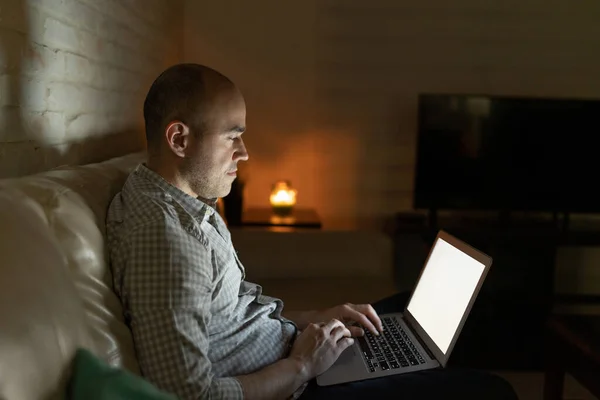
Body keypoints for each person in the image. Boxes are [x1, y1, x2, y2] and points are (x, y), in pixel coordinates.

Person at [106, 63, 518, 400]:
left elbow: (234, 313)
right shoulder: (164, 239)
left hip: (298, 354)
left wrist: (312, 321)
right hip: (297, 387)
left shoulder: (185, 201)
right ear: (179, 138)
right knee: (492, 391)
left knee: (416, 314)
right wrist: (302, 364)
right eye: (233, 136)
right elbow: (188, 395)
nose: (244, 153)